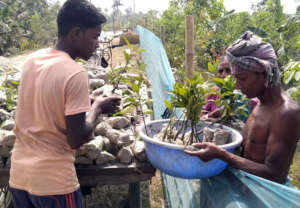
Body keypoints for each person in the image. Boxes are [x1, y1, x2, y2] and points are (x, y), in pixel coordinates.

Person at [9, 0, 120, 207]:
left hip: (19, 177)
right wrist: (97, 107)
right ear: (77, 33)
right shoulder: (75, 72)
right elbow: (76, 138)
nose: (97, 43)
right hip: (53, 183)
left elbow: (46, 104)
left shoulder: (32, 61)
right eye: (94, 37)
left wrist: (88, 101)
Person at [185, 31, 300, 184]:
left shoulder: (286, 114)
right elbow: (252, 145)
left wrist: (222, 155)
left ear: (264, 73)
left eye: (242, 79)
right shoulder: (261, 103)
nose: (237, 86)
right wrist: (223, 122)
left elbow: (275, 175)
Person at [201, 56, 258, 123]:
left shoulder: (249, 98)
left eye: (228, 70)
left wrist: (219, 122)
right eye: (220, 71)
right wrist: (209, 115)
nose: (224, 75)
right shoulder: (214, 93)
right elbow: (201, 115)